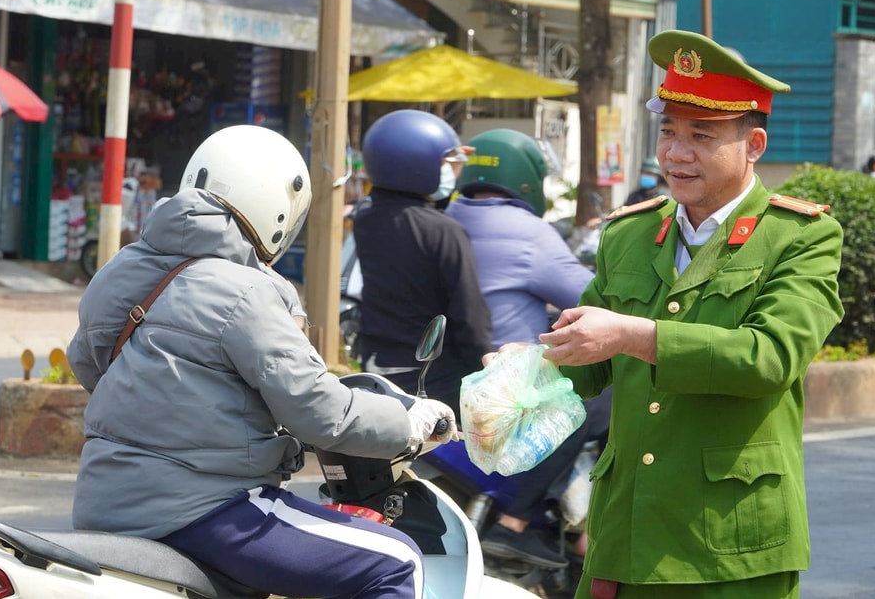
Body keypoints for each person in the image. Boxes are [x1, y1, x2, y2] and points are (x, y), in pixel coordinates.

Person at [66, 124, 459, 599]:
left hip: (102, 503)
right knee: (394, 562)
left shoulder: (121, 268)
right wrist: (409, 421)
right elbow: (320, 410)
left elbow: (88, 365)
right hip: (205, 509)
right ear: (278, 208)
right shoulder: (246, 290)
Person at [536, 29, 845, 598]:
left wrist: (635, 334)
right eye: (668, 131)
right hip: (625, 531)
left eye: (701, 135)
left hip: (730, 547)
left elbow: (770, 358)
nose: (677, 152)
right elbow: (589, 355)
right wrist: (525, 367)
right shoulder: (629, 234)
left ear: (753, 145)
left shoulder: (799, 237)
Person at [445, 128, 598, 569]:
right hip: (510, 385)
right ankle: (520, 523)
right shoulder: (531, 233)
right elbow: (592, 297)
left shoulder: (444, 217)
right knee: (596, 404)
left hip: (447, 375)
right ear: (528, 179)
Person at [354, 109, 494, 409]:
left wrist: (444, 153)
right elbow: (470, 319)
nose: (455, 172)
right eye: (448, 164)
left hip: (378, 368)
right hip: (434, 381)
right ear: (419, 164)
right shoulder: (445, 231)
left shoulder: (366, 218)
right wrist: (489, 369)